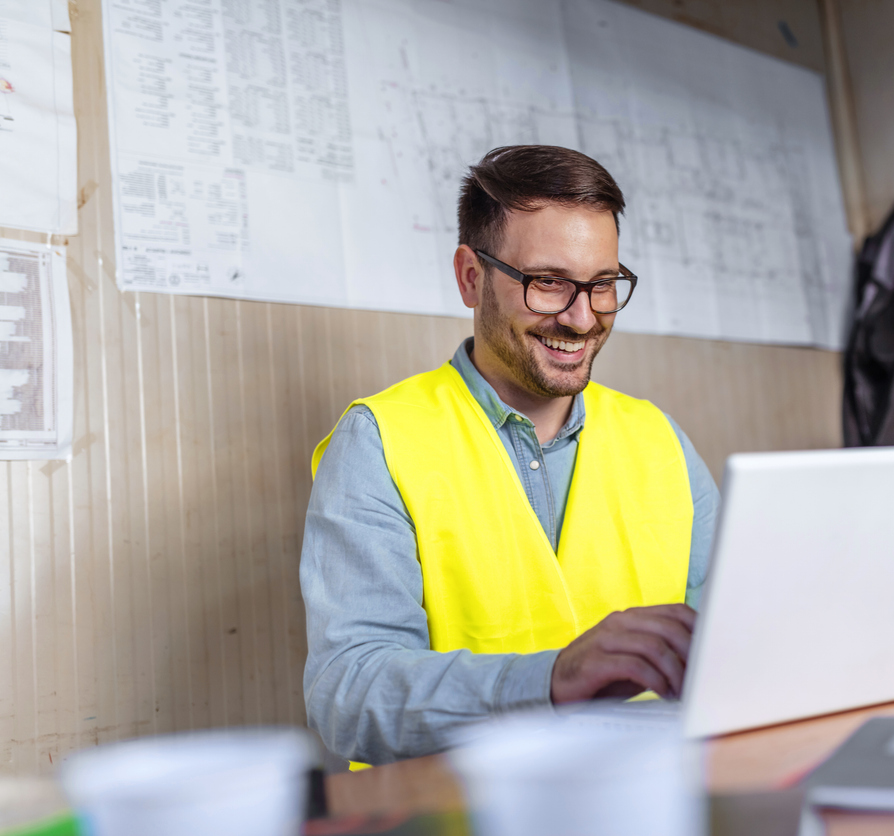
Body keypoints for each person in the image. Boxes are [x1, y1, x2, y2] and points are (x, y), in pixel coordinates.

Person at [300, 145, 719, 765]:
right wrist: (548, 682)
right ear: (471, 276)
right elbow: (350, 695)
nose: (581, 318)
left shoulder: (660, 440)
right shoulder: (378, 441)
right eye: (548, 282)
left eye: (602, 285)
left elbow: (732, 652)